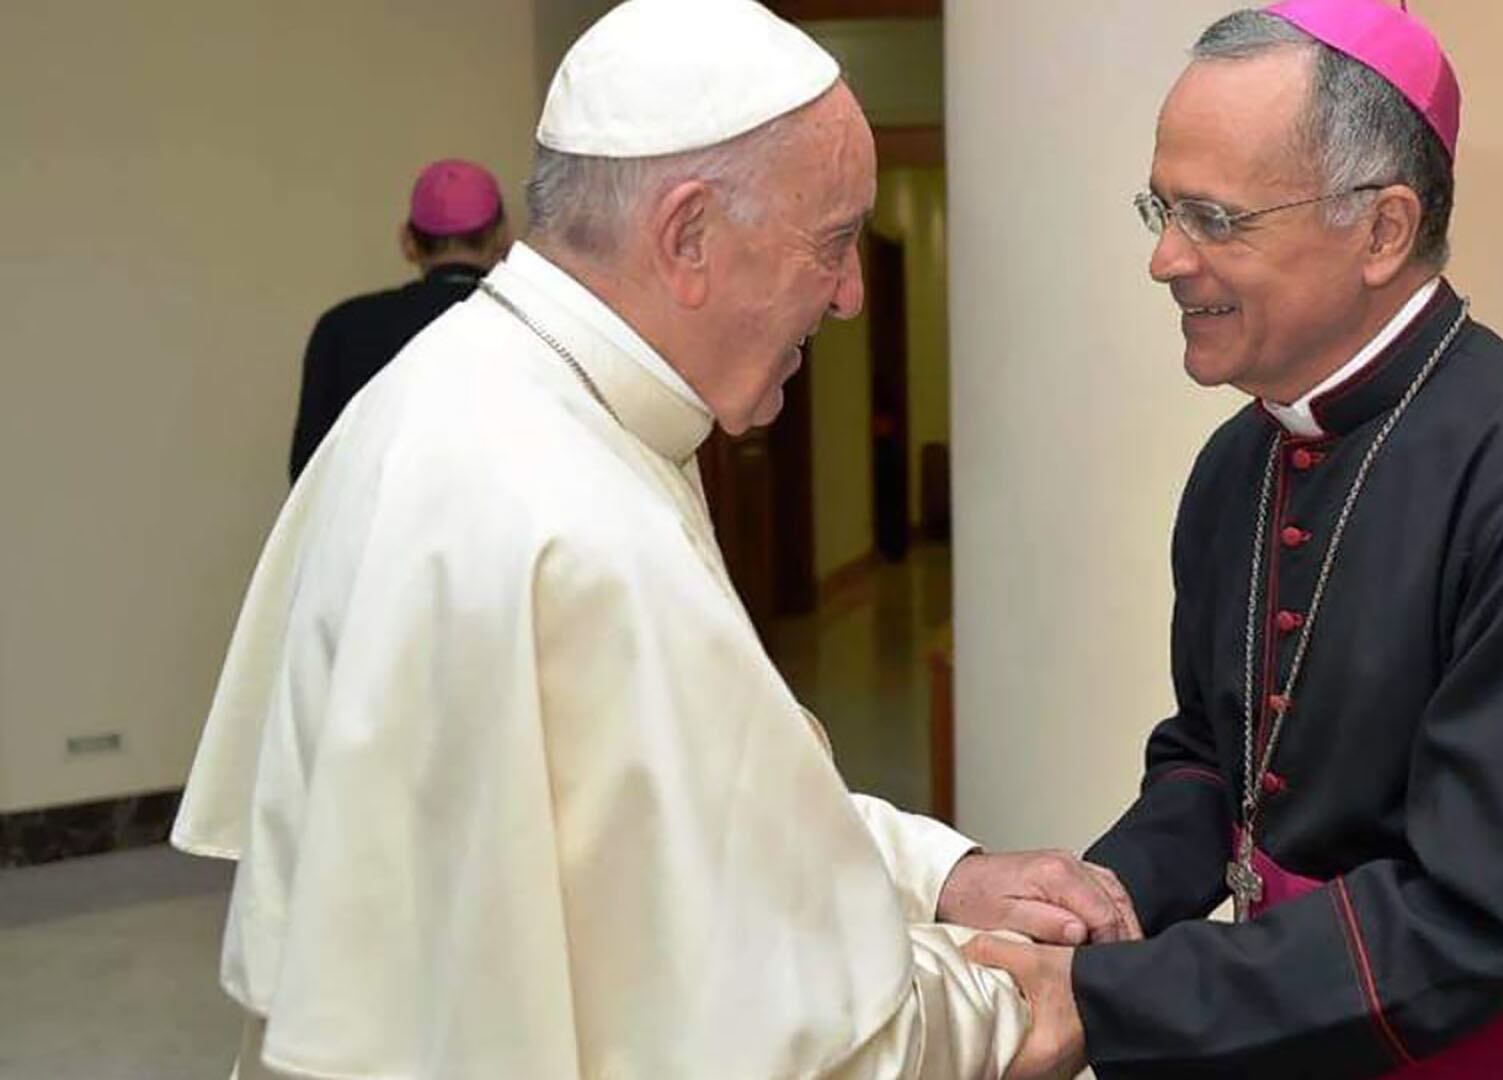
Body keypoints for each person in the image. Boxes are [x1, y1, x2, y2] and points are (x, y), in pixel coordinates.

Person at [173, 3, 1138, 1077]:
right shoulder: (573, 519)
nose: (855, 293)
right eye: (832, 241)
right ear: (688, 237)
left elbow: (694, 828)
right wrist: (1030, 1005)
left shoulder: (456, 398)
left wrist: (942, 877)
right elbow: (802, 1039)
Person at [964, 3, 1503, 1077]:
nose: (1165, 259)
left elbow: (1481, 912)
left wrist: (1109, 1001)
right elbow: (1216, 758)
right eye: (1160, 209)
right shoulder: (1241, 462)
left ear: (1383, 229)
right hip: (1294, 1029)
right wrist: (1108, 897)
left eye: (1215, 218)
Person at [286, 158, 510, 482]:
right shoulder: (534, 328)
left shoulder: (342, 327)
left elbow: (308, 477)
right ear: (503, 238)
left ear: (408, 242)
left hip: (370, 532)